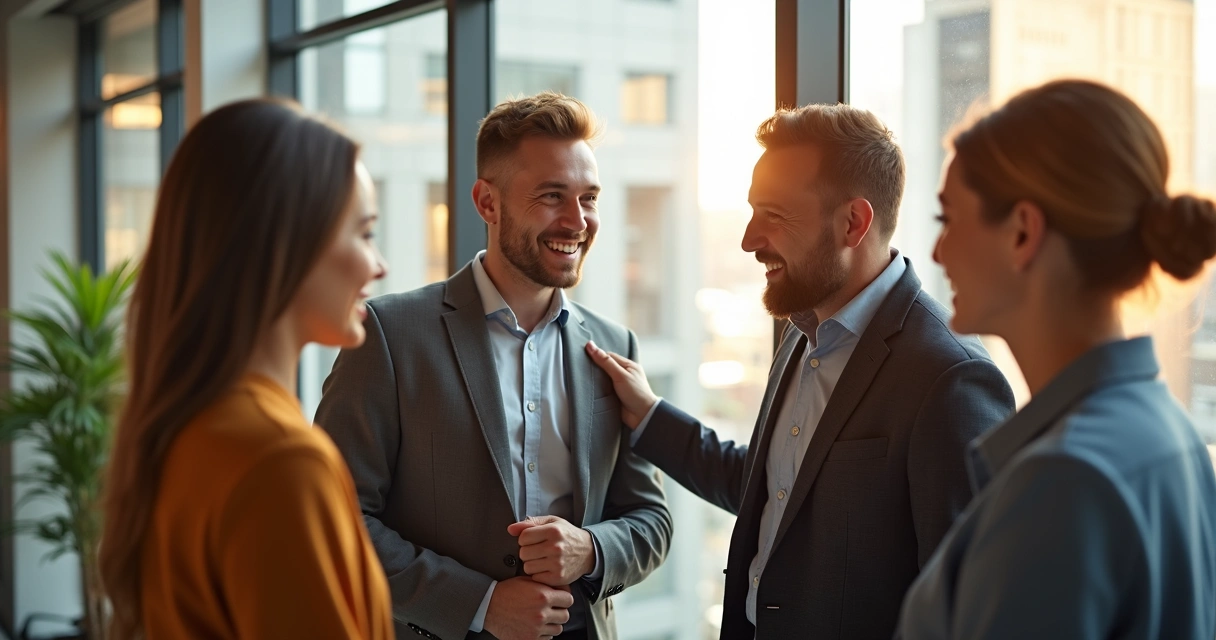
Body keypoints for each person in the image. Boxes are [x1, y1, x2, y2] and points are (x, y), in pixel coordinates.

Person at [586, 103, 1015, 639]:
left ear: (854, 223)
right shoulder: (802, 330)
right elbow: (772, 487)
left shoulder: (950, 377)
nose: (748, 239)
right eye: (751, 211)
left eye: (775, 214)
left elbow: (964, 612)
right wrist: (649, 415)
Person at [314, 91, 671, 640]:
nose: (577, 221)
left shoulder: (612, 344)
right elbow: (333, 518)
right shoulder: (388, 335)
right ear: (488, 203)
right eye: (552, 196)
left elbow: (651, 519)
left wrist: (591, 549)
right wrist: (478, 604)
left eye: (589, 197)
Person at [895, 79, 1216, 639]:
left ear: (1023, 233)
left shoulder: (1062, 482)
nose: (937, 252)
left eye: (948, 220)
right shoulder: (1168, 434)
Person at [98, 99, 392, 639]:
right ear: (287, 241)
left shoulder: (192, 424)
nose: (380, 265)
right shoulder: (280, 460)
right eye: (366, 233)